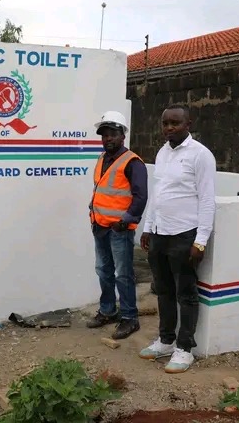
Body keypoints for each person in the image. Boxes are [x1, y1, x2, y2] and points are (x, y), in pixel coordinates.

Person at [138, 104, 216, 373]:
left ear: (188, 124)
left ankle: (184, 349)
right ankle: (166, 341)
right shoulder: (162, 153)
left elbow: (207, 200)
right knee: (164, 290)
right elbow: (158, 194)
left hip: (184, 235)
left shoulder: (200, 155)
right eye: (165, 123)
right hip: (159, 233)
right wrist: (148, 227)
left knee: (186, 293)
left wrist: (200, 240)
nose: (169, 128)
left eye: (175, 123)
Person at [86, 110, 148, 340]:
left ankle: (130, 318)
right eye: (104, 135)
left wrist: (126, 221)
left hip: (119, 230)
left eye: (113, 134)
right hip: (100, 226)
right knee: (103, 271)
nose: (108, 138)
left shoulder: (133, 162)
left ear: (123, 135)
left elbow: (141, 197)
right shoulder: (102, 159)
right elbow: (102, 190)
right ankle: (108, 311)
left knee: (123, 275)